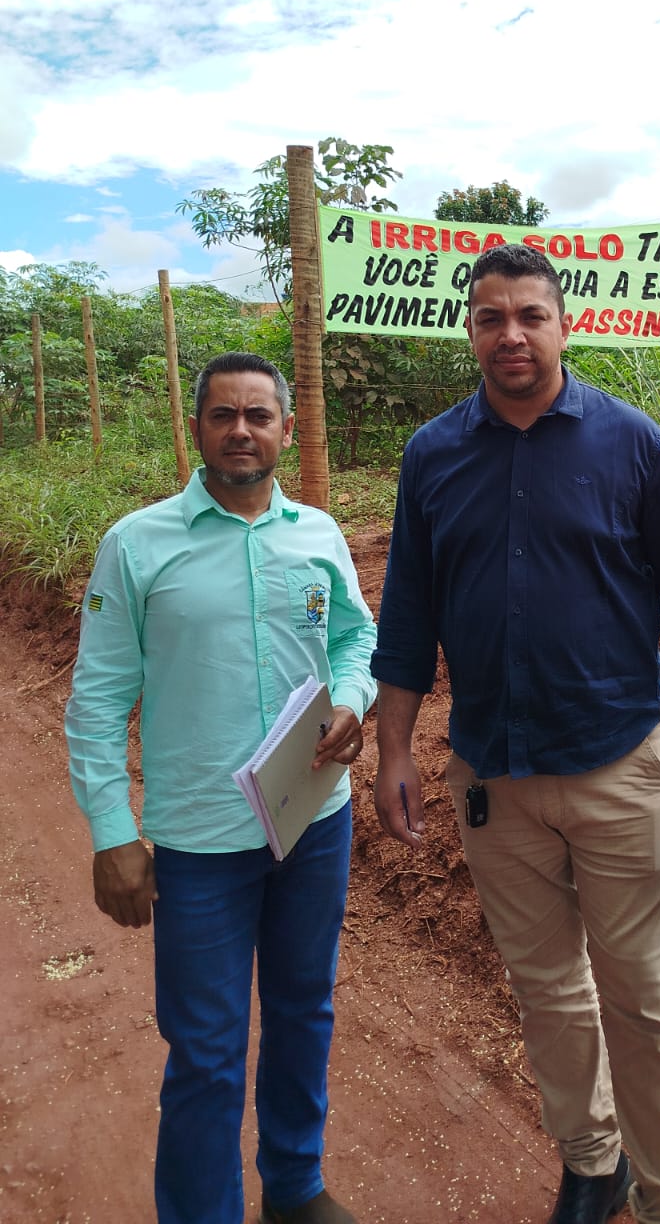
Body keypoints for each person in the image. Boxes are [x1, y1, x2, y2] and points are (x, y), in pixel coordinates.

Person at [371, 242, 660, 1224]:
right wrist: (394, 747)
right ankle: (591, 1158)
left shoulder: (632, 443)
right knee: (548, 992)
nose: (512, 333)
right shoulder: (433, 456)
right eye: (492, 317)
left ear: (564, 323)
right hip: (493, 777)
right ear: (472, 331)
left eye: (531, 314)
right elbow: (406, 619)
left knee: (646, 1001)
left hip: (622, 770)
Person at [65, 353, 377, 1224]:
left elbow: (356, 638)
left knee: (304, 1009)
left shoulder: (317, 535)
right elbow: (95, 700)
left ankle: (294, 1185)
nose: (241, 429)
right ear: (196, 427)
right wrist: (110, 831)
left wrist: (353, 701)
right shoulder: (137, 544)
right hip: (200, 843)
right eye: (222, 414)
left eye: (258, 415)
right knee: (205, 1051)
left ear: (286, 428)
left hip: (314, 821)